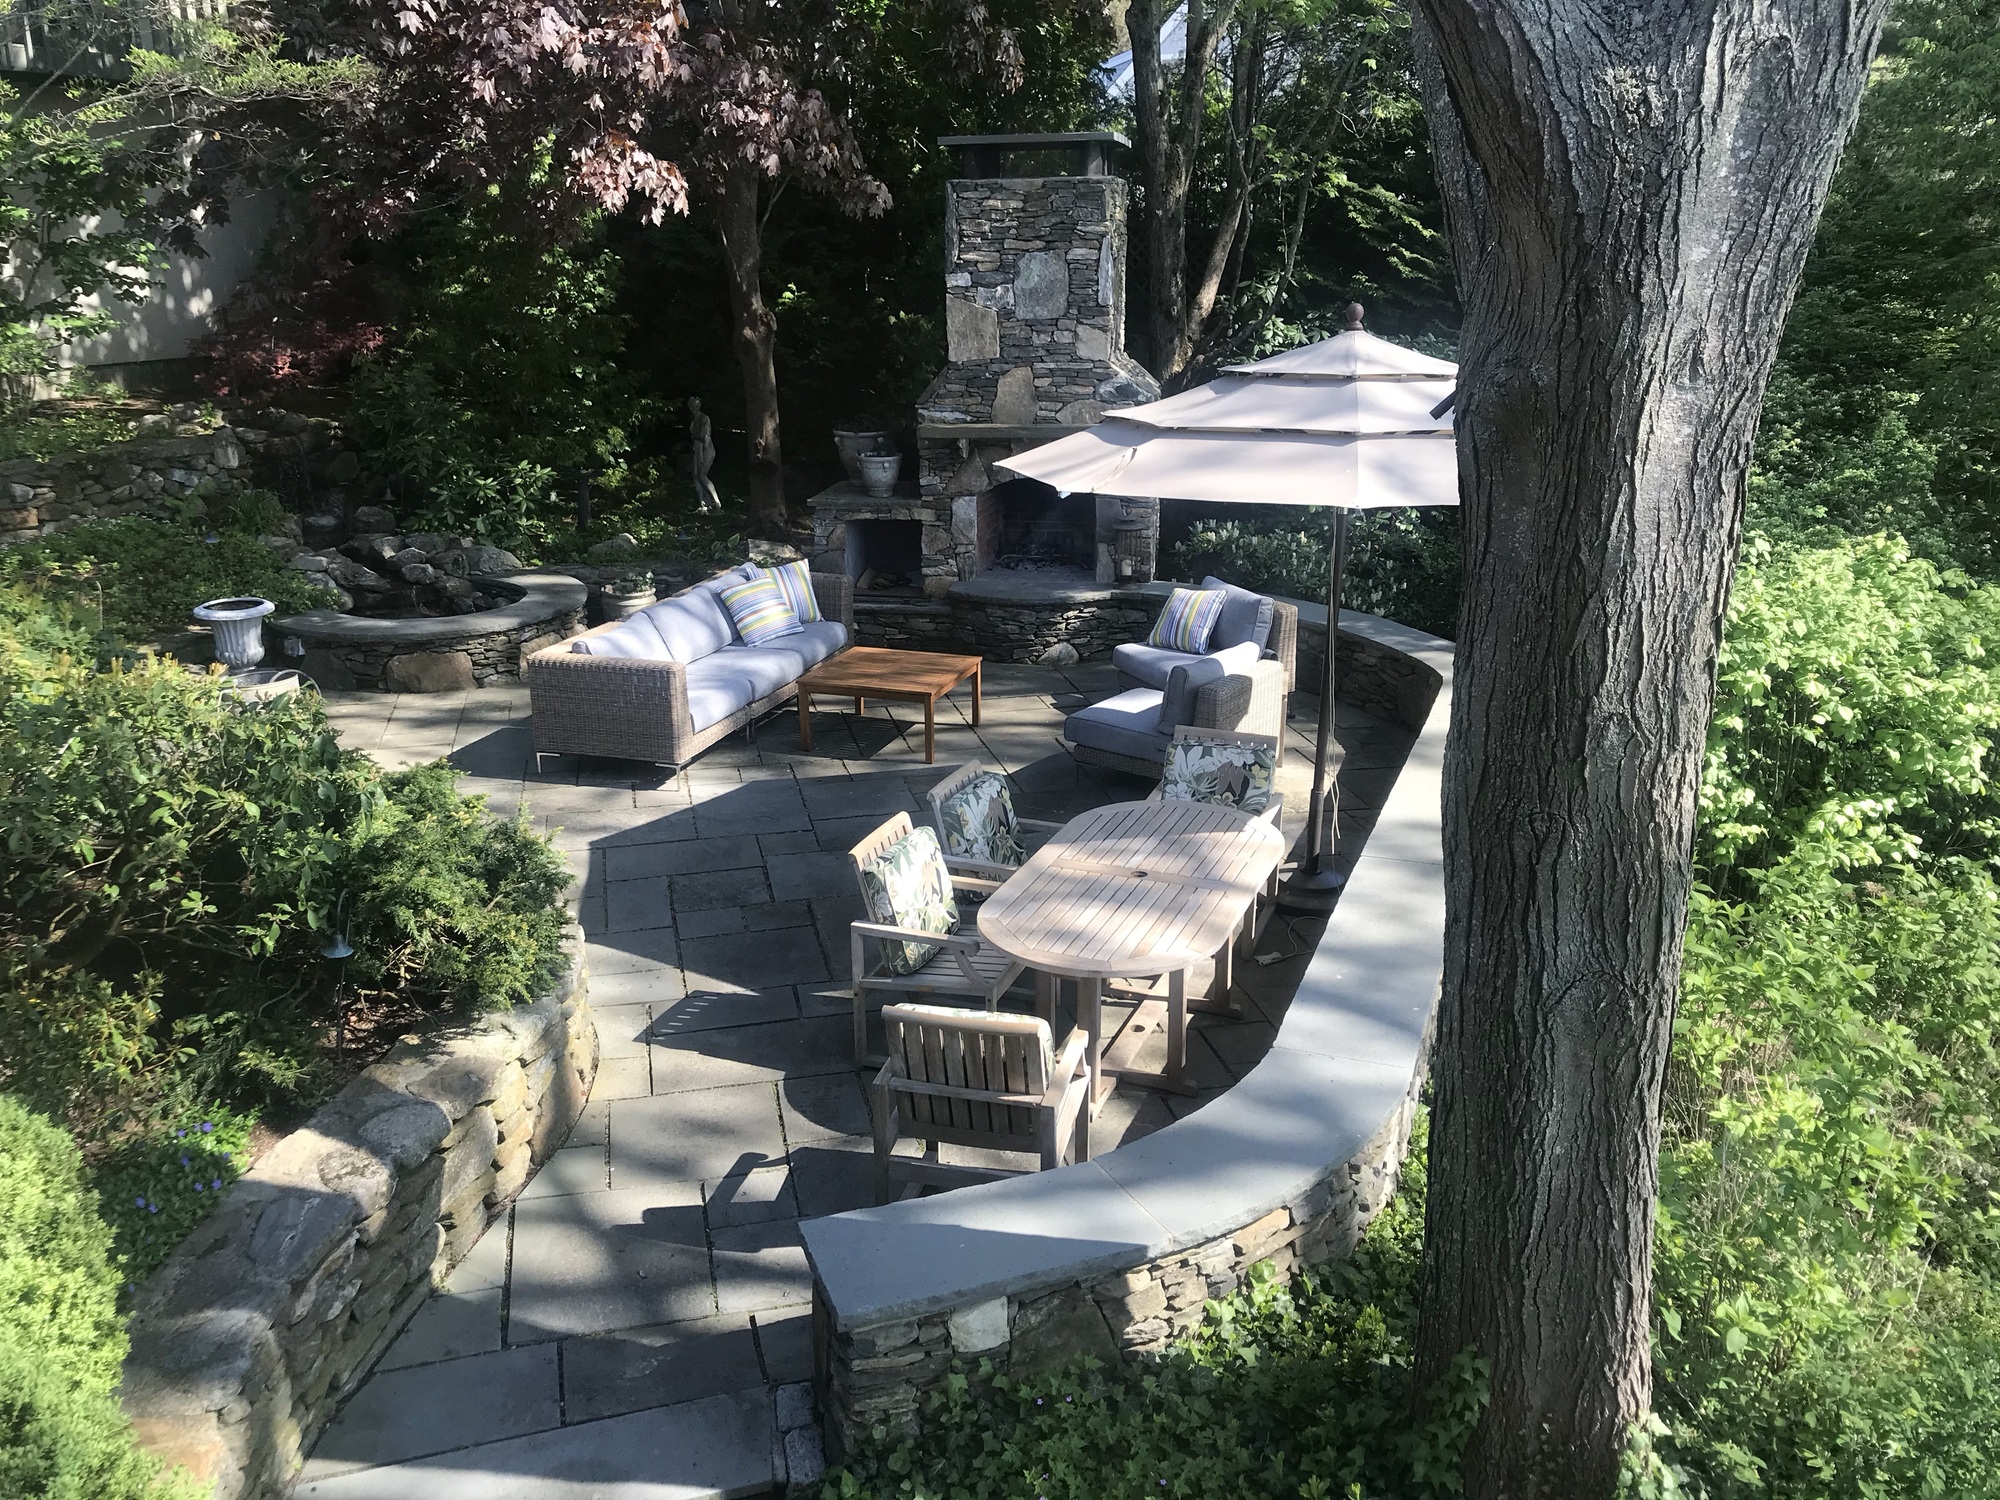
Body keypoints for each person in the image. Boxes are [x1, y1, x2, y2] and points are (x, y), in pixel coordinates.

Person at [688, 397, 721, 514]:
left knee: (702, 476)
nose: (693, 409)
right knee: (696, 476)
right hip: (697, 449)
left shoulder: (704, 418)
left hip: (706, 449)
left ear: (699, 406)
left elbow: (704, 436)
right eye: (691, 407)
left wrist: (693, 432)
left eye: (695, 406)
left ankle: (716, 503)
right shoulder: (693, 419)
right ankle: (703, 504)